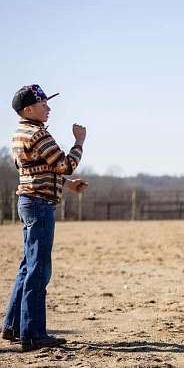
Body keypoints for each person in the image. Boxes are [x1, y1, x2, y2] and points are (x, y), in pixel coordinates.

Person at [2, 84, 88, 351]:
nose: (48, 108)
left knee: (28, 265)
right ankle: (33, 333)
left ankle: (13, 325)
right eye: (43, 105)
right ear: (29, 109)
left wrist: (66, 183)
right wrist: (79, 142)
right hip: (40, 204)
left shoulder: (20, 132)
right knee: (39, 269)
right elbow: (64, 164)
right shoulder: (38, 133)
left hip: (28, 201)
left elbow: (39, 168)